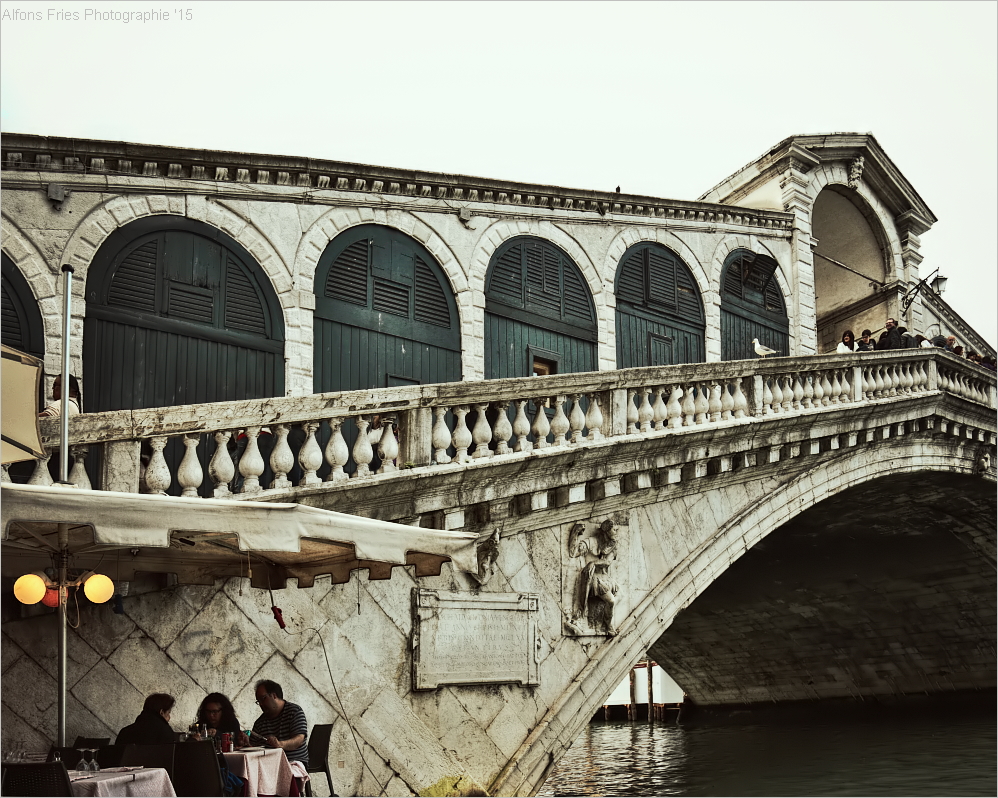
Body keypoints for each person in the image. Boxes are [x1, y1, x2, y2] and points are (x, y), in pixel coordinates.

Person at [252, 680, 309, 766]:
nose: (260, 704)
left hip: (293, 763)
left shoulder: (294, 711)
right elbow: (253, 745)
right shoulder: (260, 722)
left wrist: (279, 744)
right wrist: (245, 743)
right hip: (269, 764)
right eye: (258, 701)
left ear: (274, 695)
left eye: (263, 699)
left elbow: (299, 740)